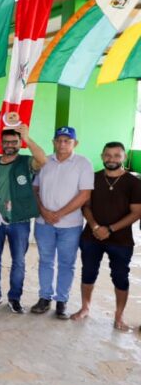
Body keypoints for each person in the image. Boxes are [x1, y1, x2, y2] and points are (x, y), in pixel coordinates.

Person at [70, 142, 141, 331]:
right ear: (102, 156)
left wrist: (109, 229)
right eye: (108, 155)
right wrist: (94, 226)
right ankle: (85, 308)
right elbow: (86, 206)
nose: (112, 159)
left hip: (121, 240)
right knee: (88, 272)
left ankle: (119, 316)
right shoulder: (92, 179)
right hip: (91, 236)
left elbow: (136, 213)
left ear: (124, 157)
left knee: (120, 276)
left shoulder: (134, 183)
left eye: (117, 155)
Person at [0, 125, 47, 313]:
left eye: (14, 142)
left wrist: (28, 138)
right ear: (0, 143)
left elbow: (43, 159)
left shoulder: (26, 162)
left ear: (19, 143)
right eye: (5, 142)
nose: (9, 145)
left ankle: (14, 298)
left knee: (19, 261)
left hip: (19, 221)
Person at [31, 126, 93, 319]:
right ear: (53, 142)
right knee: (45, 261)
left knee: (67, 263)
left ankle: (61, 301)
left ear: (75, 143)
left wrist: (58, 214)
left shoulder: (83, 164)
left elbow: (84, 195)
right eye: (59, 140)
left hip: (70, 226)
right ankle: (44, 297)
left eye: (67, 140)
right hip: (43, 223)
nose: (62, 144)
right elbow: (35, 189)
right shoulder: (44, 162)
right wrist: (43, 211)